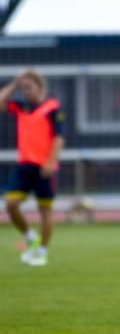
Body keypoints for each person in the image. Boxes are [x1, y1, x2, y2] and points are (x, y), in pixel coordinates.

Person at [0, 71, 65, 266]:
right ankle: (30, 237)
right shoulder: (21, 107)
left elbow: (58, 138)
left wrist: (50, 162)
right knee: (11, 204)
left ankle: (42, 252)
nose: (25, 92)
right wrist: (14, 84)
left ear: (40, 87)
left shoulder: (53, 108)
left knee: (44, 210)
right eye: (23, 88)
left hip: (44, 167)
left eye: (29, 87)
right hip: (24, 166)